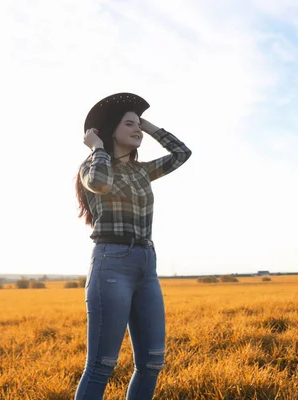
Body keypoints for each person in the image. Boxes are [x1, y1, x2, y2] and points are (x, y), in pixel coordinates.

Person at [74, 92, 192, 399]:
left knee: (152, 362)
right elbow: (99, 183)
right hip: (112, 261)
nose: (137, 129)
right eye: (129, 124)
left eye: (138, 124)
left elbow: (182, 153)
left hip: (145, 264)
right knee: (101, 365)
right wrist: (98, 147)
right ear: (111, 129)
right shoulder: (93, 166)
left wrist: (147, 125)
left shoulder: (143, 171)